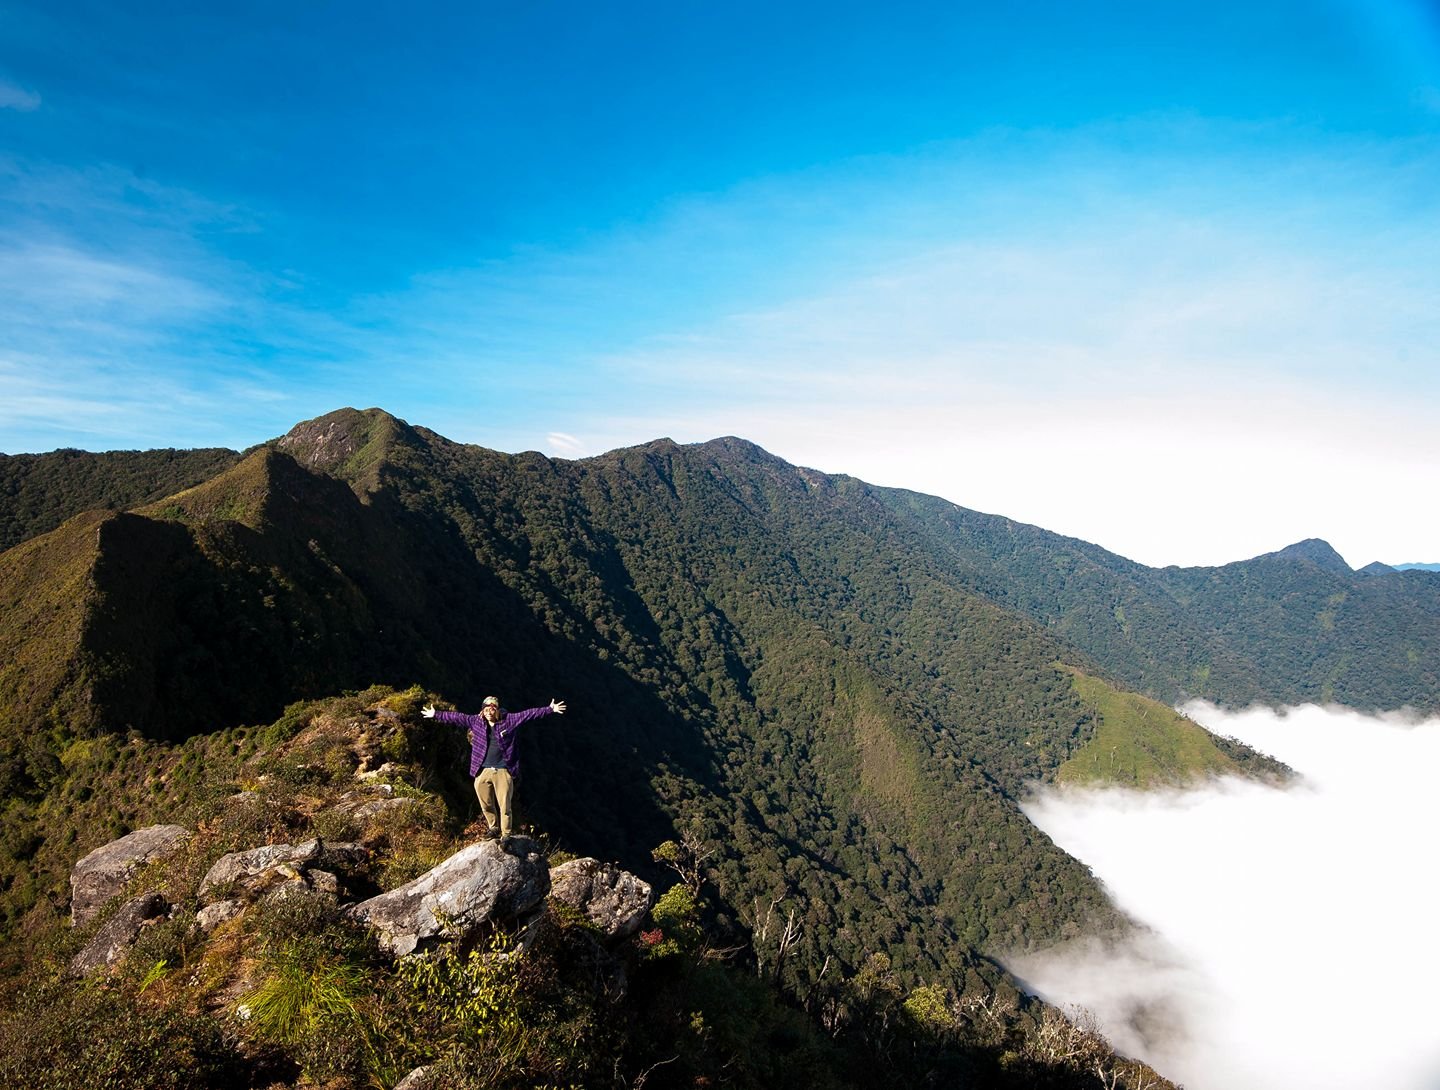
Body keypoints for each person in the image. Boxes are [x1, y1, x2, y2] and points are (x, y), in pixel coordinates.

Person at [421, 695, 567, 841]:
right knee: (485, 803)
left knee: (505, 806)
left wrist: (550, 709)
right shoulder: (476, 722)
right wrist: (436, 714)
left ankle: (506, 835)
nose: (489, 712)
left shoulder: (508, 720)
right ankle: (493, 827)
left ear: (497, 709)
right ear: (482, 710)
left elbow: (529, 714)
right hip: (482, 770)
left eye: (492, 709)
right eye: (486, 709)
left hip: (503, 770)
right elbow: (457, 717)